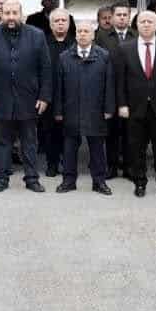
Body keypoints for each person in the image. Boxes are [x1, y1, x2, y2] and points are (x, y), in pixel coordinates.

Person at [0, 0, 51, 193]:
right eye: (7, 13)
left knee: (30, 142)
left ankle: (32, 179)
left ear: (21, 15)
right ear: (1, 15)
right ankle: (1, 179)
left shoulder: (37, 35)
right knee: (1, 142)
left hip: (29, 99)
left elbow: (45, 69)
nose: (10, 17)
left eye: (14, 13)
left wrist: (44, 97)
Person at [115, 9, 156, 199]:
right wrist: (122, 104)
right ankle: (139, 182)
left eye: (150, 21)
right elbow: (120, 80)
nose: (146, 24)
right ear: (136, 25)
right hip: (134, 107)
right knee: (136, 148)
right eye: (142, 21)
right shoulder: (125, 48)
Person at [53, 18, 115, 195]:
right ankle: (68, 181)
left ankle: (99, 182)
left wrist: (109, 108)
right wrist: (58, 110)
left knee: (97, 149)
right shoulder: (64, 57)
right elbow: (59, 87)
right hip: (71, 110)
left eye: (86, 31)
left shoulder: (104, 56)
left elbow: (109, 84)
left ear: (93, 35)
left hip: (96, 110)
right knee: (69, 148)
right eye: (79, 31)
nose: (82, 34)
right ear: (75, 35)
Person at [98, 2, 135, 178]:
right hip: (110, 90)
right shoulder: (101, 37)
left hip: (131, 91)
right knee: (111, 132)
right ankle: (111, 166)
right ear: (112, 17)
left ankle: (128, 166)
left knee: (130, 131)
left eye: (124, 15)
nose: (121, 18)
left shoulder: (136, 36)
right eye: (118, 15)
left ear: (129, 17)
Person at [40, 7, 74, 177]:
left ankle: (68, 164)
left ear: (68, 23)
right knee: (50, 132)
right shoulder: (42, 43)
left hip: (71, 97)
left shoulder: (76, 43)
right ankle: (52, 163)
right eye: (56, 21)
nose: (60, 24)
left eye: (63, 20)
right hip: (49, 96)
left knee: (70, 133)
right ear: (50, 24)